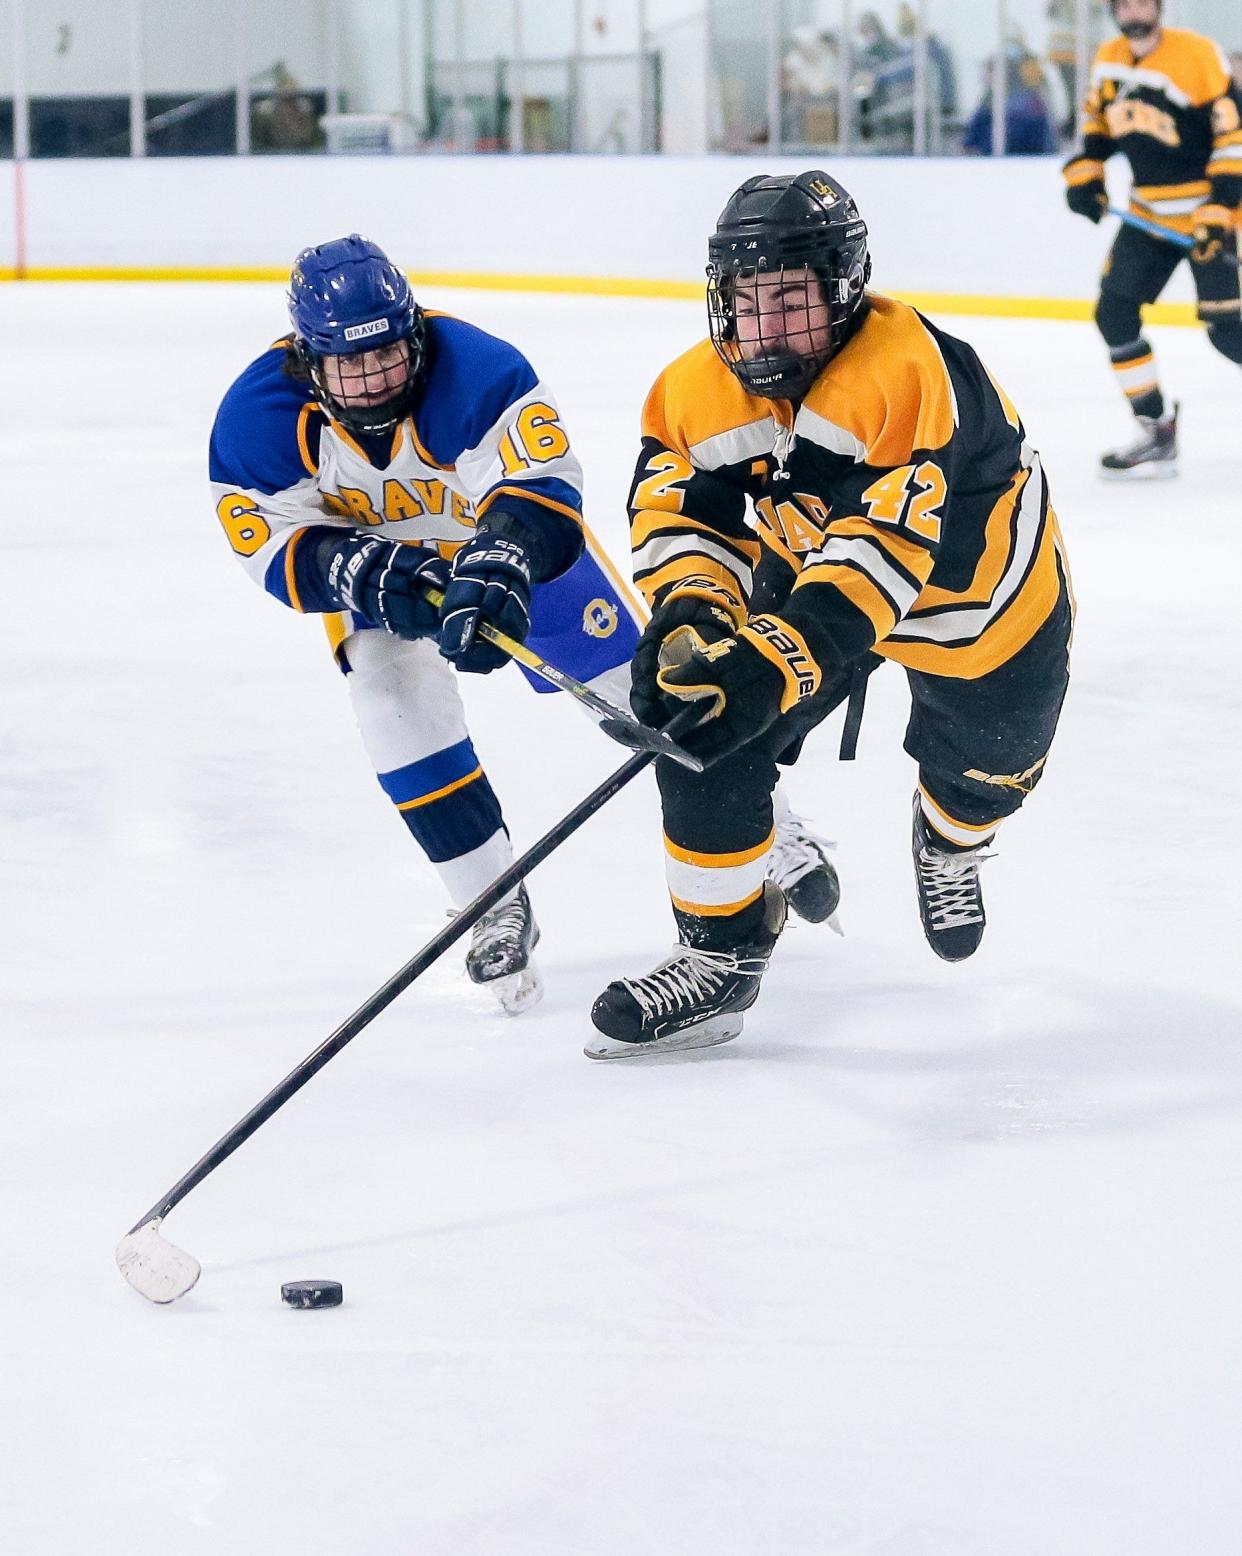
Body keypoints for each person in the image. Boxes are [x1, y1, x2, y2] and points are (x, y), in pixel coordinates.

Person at [586, 171, 1073, 1061]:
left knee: (986, 780)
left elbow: (881, 552)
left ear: (845, 289)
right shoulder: (693, 390)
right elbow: (680, 517)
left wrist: (769, 663)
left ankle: (950, 840)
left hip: (982, 603)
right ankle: (719, 956)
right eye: (744, 301)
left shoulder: (902, 370)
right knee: (703, 726)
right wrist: (696, 614)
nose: (764, 328)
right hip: (815, 572)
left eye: (791, 300)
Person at [208, 234, 644, 1014]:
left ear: (414, 334)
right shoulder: (255, 420)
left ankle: (768, 831)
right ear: (308, 362)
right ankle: (488, 900)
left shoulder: (476, 367)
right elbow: (270, 544)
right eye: (351, 364)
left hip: (499, 546)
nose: (376, 380)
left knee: (646, 694)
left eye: (389, 356)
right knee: (389, 700)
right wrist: (354, 569)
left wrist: (507, 551)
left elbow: (541, 484)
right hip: (384, 572)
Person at [1062, 0, 1242, 476]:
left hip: (1213, 215)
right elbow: (1097, 129)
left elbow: (1232, 137)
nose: (1134, 9)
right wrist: (1086, 176)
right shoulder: (1109, 58)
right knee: (1115, 314)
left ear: (1159, 7)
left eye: (1143, 0)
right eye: (1125, 2)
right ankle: (1156, 430)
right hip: (1149, 216)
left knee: (1230, 333)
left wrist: (1221, 207)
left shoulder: (1198, 55)